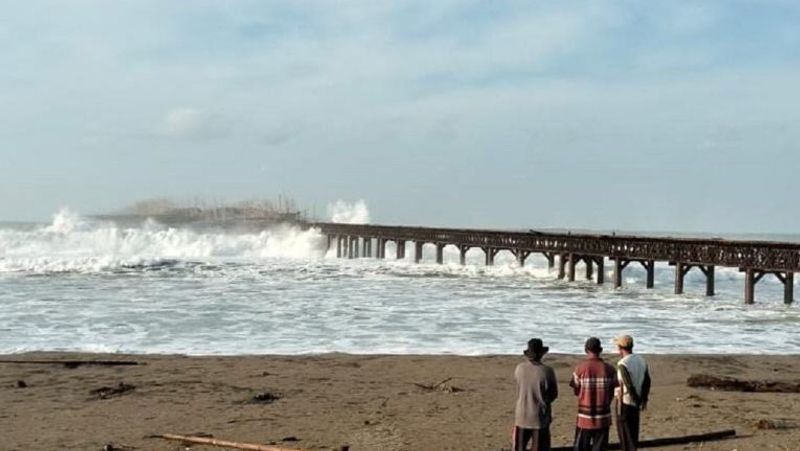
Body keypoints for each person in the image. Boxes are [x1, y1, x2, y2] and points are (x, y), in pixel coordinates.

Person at [570, 337, 618, 451]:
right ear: (600, 350)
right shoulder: (610, 369)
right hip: (603, 416)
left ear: (586, 350)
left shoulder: (580, 369)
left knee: (581, 447)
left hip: (584, 416)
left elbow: (576, 390)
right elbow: (614, 390)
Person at [513, 338, 559, 451]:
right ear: (541, 354)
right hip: (539, 416)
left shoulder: (519, 368)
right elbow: (553, 395)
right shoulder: (547, 371)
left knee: (519, 447)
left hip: (521, 414)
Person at [613, 335, 651, 451]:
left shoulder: (623, 364)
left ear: (620, 348)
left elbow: (628, 384)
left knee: (625, 436)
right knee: (633, 434)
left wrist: (636, 399)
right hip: (636, 402)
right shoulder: (641, 360)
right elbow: (647, 381)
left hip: (625, 402)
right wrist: (643, 399)